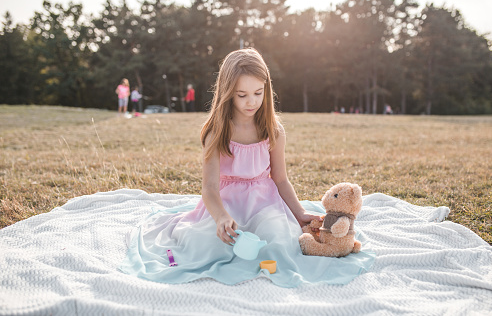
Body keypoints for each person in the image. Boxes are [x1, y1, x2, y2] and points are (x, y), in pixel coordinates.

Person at [119, 48, 375, 287]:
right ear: (228, 92)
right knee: (209, 244)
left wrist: (298, 212)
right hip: (225, 202)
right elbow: (208, 188)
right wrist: (220, 217)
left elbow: (281, 179)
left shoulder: (273, 130)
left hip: (265, 202)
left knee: (277, 241)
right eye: (242, 95)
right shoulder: (218, 131)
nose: (251, 102)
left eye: (258, 92)